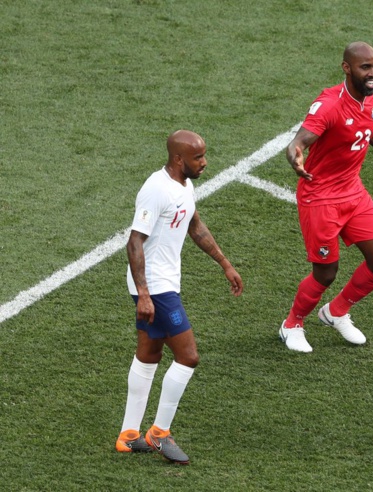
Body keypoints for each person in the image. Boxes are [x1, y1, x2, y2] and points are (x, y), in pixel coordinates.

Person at [280, 41, 373, 353]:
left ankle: (336, 311)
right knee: (326, 272)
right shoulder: (329, 105)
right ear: (346, 68)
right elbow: (299, 140)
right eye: (365, 68)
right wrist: (296, 156)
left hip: (353, 191)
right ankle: (292, 323)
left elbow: (370, 127)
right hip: (320, 197)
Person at [115, 130, 244, 464]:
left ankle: (128, 436)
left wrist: (225, 264)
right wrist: (144, 294)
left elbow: (195, 226)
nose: (205, 162)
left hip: (163, 283)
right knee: (188, 356)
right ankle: (159, 433)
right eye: (198, 157)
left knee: (148, 355)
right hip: (155, 287)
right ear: (178, 158)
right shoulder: (156, 190)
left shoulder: (185, 186)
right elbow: (134, 242)